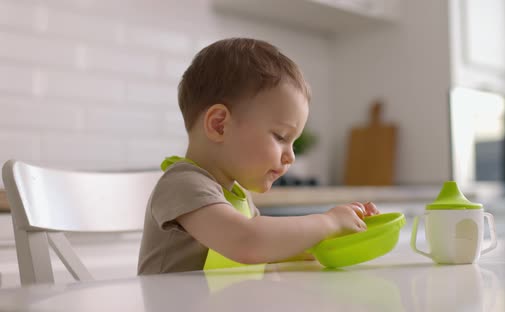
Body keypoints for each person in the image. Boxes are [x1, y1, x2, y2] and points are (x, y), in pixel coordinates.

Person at [137, 38, 380, 275]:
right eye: (281, 136)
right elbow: (247, 242)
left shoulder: (237, 196)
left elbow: (266, 249)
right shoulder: (183, 184)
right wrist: (329, 222)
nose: (291, 157)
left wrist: (330, 239)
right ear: (220, 125)